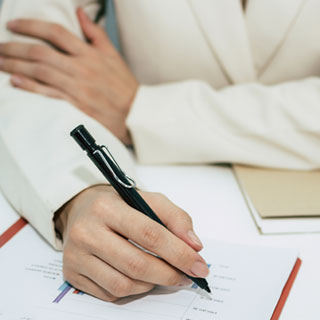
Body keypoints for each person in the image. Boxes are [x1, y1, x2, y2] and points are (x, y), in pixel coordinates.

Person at [0, 0, 319, 301]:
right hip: (145, 169)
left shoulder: (138, 108)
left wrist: (140, 108)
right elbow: (24, 69)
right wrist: (80, 194)